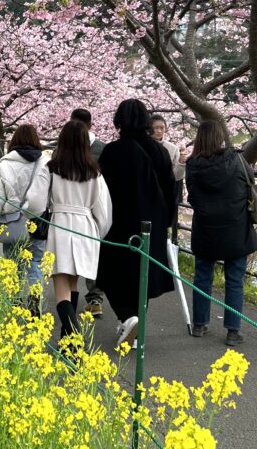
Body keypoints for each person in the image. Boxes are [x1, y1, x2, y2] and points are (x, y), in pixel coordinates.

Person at [97, 99, 177, 347]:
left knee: (110, 273)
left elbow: (101, 190)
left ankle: (127, 317)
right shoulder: (159, 151)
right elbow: (171, 189)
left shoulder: (111, 151)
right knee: (143, 275)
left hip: (118, 222)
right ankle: (135, 326)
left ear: (118, 120)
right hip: (152, 224)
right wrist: (167, 221)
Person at [186, 119, 257, 347]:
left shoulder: (192, 165)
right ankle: (232, 331)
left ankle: (199, 325)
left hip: (205, 228)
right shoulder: (237, 159)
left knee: (202, 277)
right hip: (235, 229)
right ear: (220, 137)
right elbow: (250, 182)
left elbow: (191, 196)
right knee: (234, 280)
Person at [46, 120, 112, 338]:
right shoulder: (94, 173)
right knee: (73, 282)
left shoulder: (52, 169)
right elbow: (104, 212)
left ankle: (73, 339)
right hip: (85, 227)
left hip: (60, 225)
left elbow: (36, 202)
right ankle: (67, 337)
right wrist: (96, 235)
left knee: (61, 285)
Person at [0, 124, 51, 311]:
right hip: (38, 220)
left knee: (12, 262)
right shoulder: (45, 163)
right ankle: (35, 300)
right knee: (35, 261)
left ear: (14, 141)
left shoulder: (4, 165)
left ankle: (15, 300)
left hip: (11, 222)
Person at [69, 108, 108, 319]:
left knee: (70, 259)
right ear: (91, 125)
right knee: (94, 255)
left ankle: (69, 303)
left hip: (68, 213)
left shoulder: (63, 148)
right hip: (92, 210)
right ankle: (94, 299)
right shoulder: (102, 149)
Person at [150, 114, 187, 212]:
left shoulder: (172, 148)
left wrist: (181, 162)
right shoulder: (141, 146)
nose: (159, 131)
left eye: (162, 128)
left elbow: (176, 176)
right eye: (156, 128)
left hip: (164, 193)